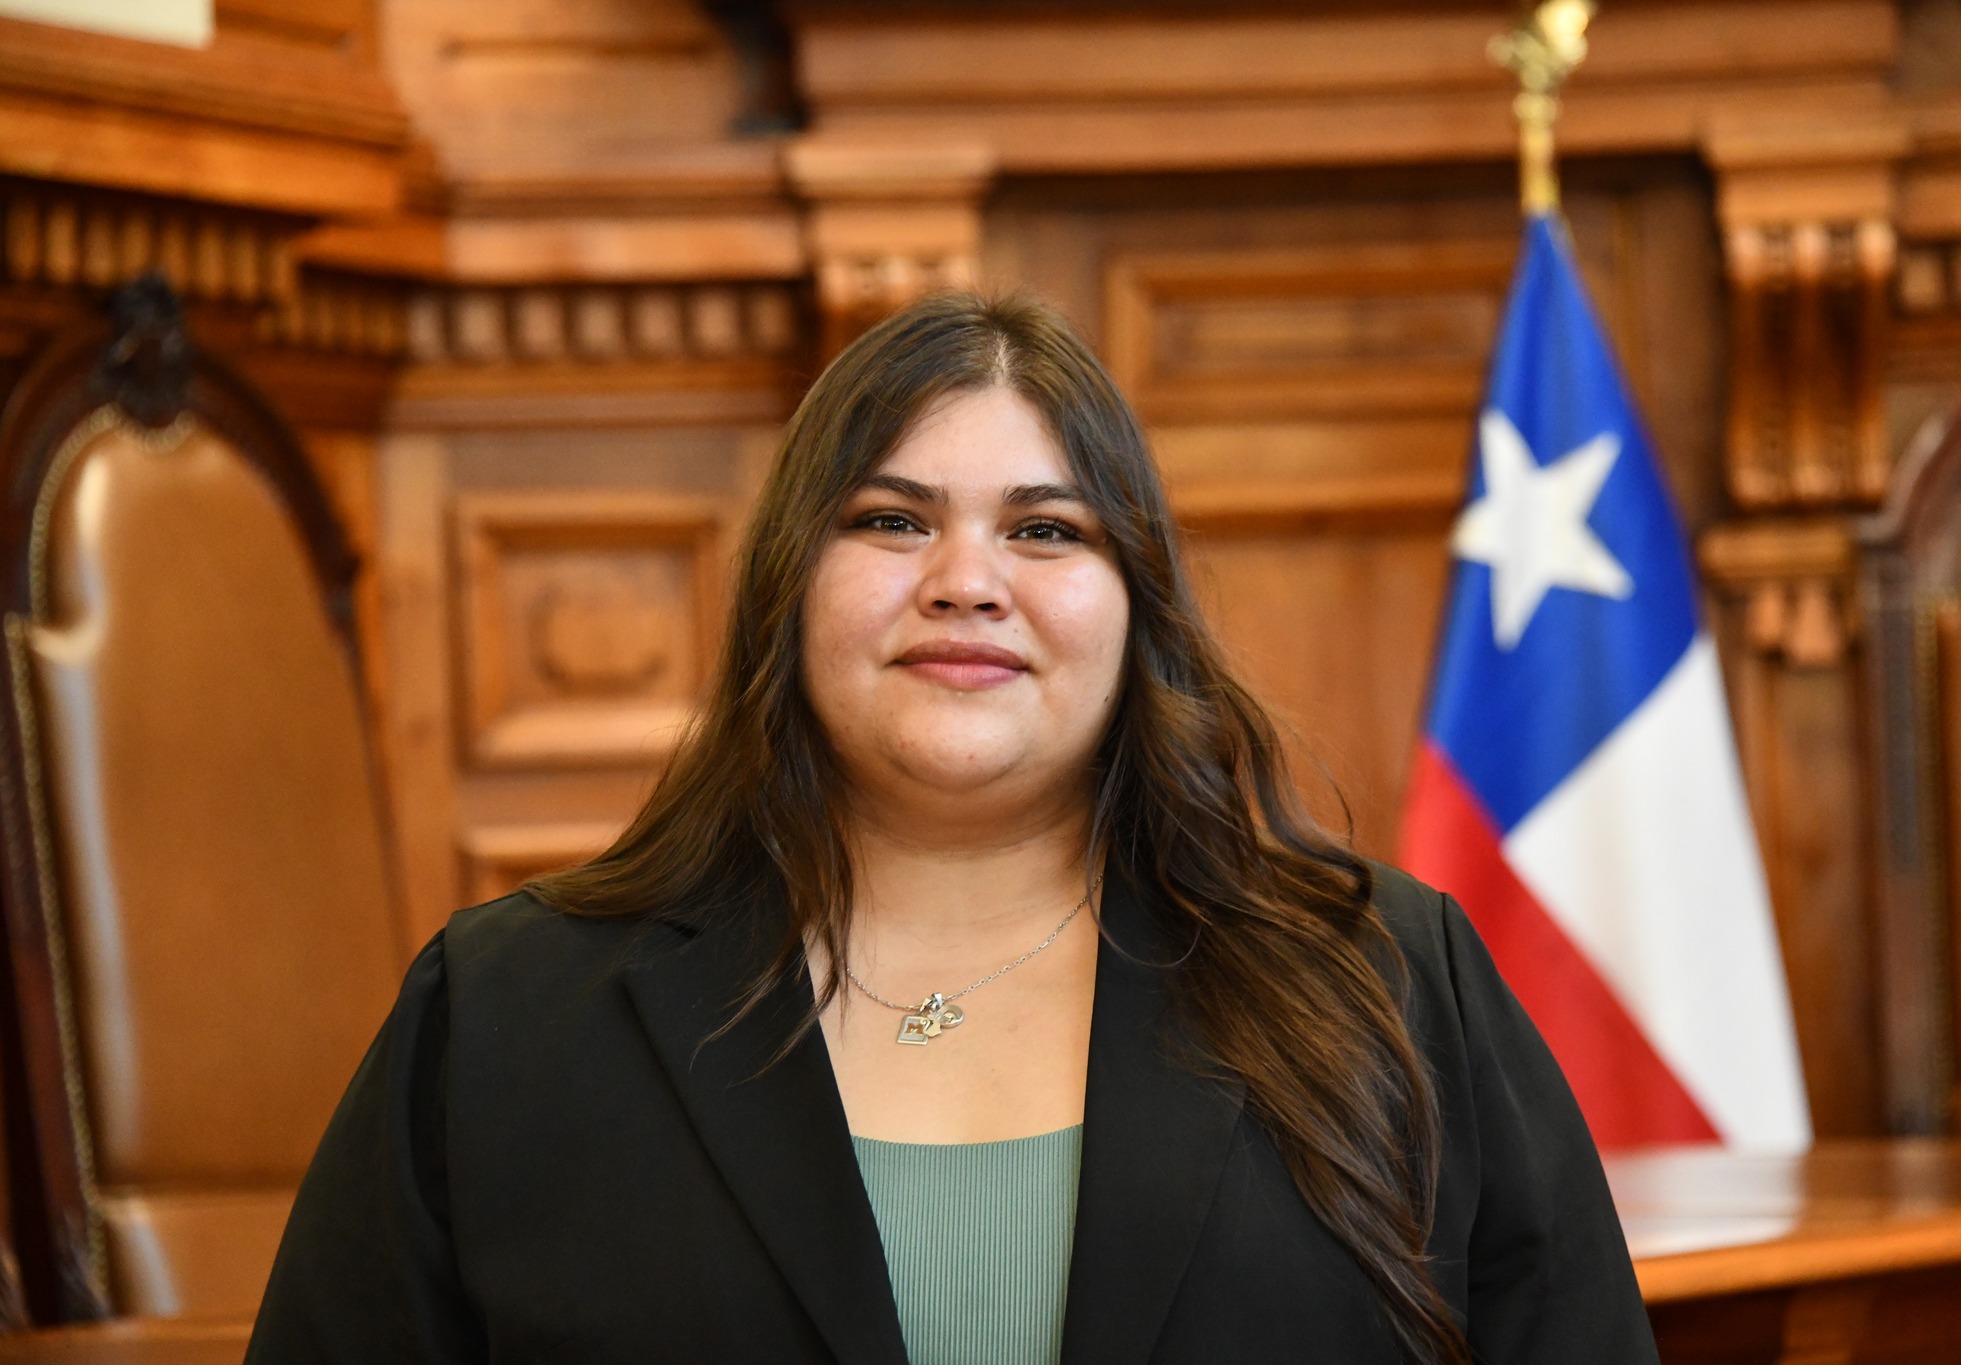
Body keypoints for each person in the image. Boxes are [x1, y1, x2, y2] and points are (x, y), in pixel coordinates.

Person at [247, 293, 1657, 1364]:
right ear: (788, 589)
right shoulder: (504, 1017)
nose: (968, 580)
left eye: (1047, 530)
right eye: (891, 521)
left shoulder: (1388, 983)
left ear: (1139, 605)